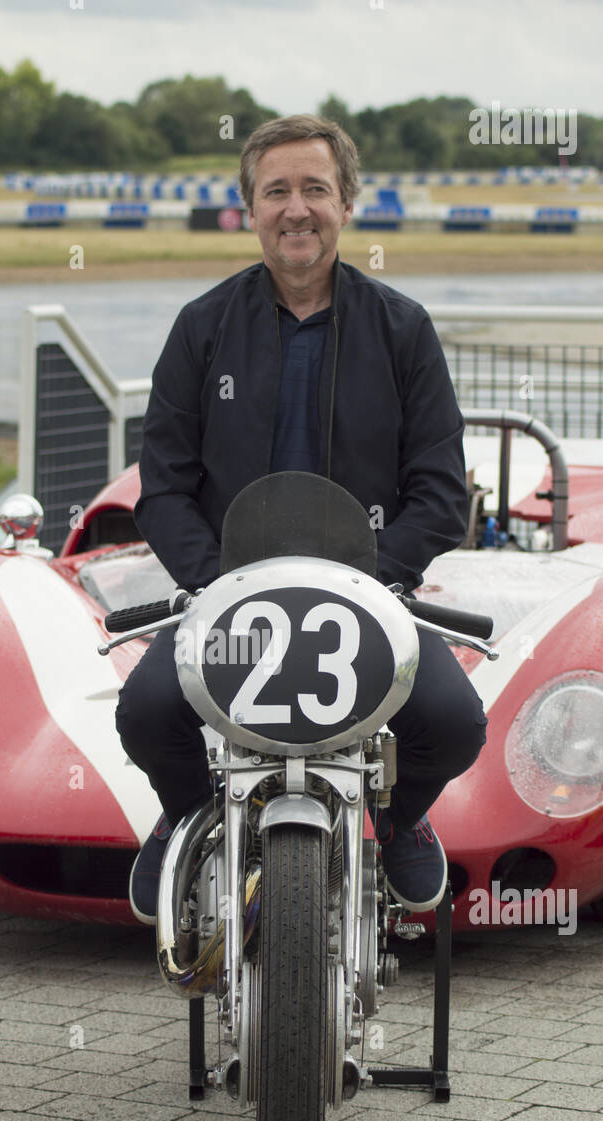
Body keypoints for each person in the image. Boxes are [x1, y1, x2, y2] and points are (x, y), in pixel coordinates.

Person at [115, 114, 488, 924]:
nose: (295, 208)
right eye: (275, 190)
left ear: (346, 204)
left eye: (314, 189)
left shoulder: (403, 329)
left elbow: (439, 490)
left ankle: (396, 819)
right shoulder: (200, 327)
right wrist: (213, 584)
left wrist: (381, 582)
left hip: (371, 600)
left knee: (455, 724)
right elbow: (164, 488)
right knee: (145, 714)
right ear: (248, 208)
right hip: (227, 600)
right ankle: (182, 813)